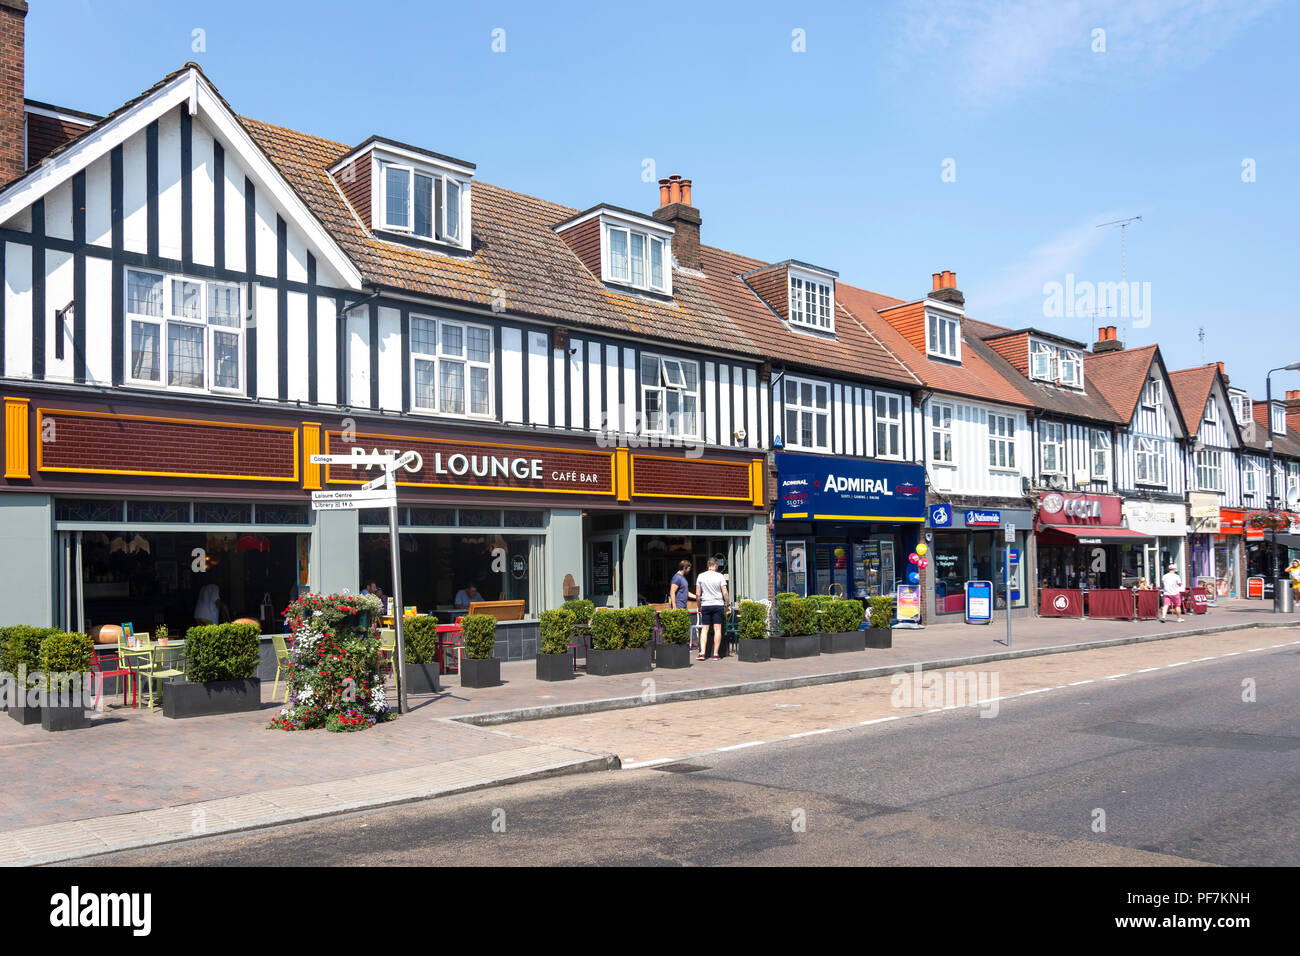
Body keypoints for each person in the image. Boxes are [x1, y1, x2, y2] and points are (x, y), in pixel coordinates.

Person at [695, 558, 729, 661]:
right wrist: (728, 604)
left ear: (708, 565)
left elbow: (697, 594)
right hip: (718, 604)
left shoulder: (701, 576)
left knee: (705, 629)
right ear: (715, 565)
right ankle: (715, 654)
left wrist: (699, 606)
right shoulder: (719, 576)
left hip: (705, 604)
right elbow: (725, 592)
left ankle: (702, 653)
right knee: (717, 628)